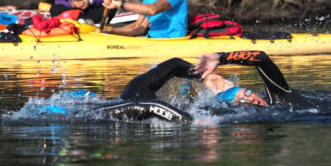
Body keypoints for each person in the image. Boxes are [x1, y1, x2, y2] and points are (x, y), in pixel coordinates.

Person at [92, 50, 307, 122]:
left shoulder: (279, 100)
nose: (250, 100)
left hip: (146, 111)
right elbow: (261, 58)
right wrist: (219, 59)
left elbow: (263, 59)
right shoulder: (279, 99)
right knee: (175, 65)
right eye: (246, 94)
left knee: (141, 105)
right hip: (142, 104)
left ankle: (103, 105)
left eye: (246, 102)